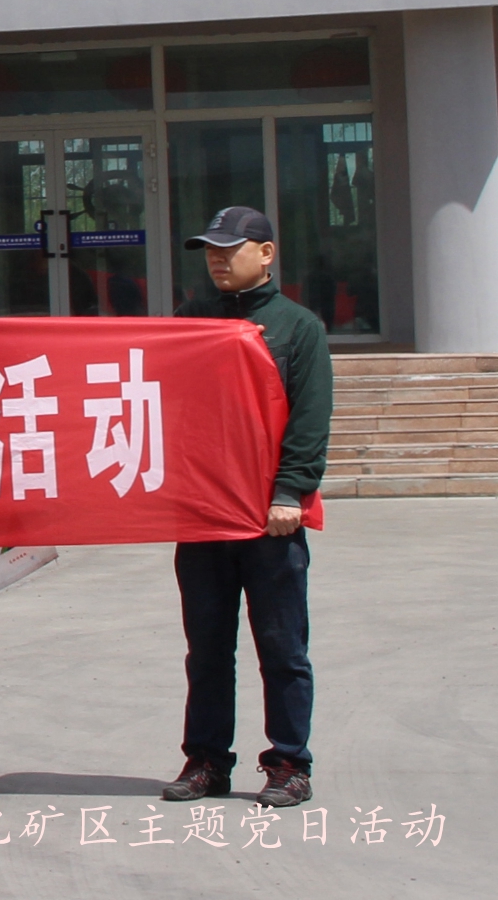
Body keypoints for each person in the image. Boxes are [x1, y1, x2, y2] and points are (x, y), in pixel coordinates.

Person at [160, 205, 329, 809]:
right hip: (204, 516)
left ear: (266, 253)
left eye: (229, 248)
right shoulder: (190, 321)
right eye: (210, 249)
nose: (217, 258)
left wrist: (289, 492)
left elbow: (309, 420)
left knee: (282, 648)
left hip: (268, 520)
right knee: (207, 649)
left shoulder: (297, 327)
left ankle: (289, 763)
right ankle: (207, 761)